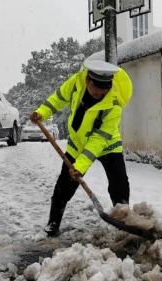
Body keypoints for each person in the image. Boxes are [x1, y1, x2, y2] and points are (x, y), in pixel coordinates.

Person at [30, 59, 133, 237]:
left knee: (119, 184)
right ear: (87, 80)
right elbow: (58, 98)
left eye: (104, 90)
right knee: (64, 186)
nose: (99, 93)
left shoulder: (115, 103)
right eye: (96, 88)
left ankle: (123, 220)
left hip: (107, 145)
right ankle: (53, 222)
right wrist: (42, 113)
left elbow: (98, 139)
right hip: (78, 144)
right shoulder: (77, 81)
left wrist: (80, 166)